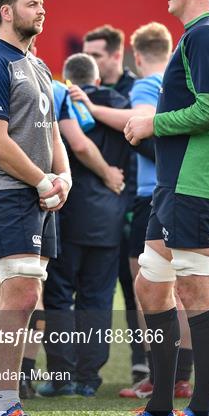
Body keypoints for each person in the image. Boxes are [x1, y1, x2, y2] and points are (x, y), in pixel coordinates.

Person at [109, 0, 209, 416]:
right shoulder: (208, 33)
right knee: (151, 286)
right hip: (176, 184)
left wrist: (152, 122)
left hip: (195, 183)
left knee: (195, 289)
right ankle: (160, 408)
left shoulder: (207, 33)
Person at [0, 0, 71, 416]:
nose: (41, 9)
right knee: (22, 292)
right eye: (32, 3)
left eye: (42, 1)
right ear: (7, 12)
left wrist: (63, 176)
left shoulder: (40, 66)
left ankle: (6, 404)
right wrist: (43, 178)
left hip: (38, 193)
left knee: (30, 295)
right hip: (4, 192)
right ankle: (0, 409)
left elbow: (52, 131)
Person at [76, 22, 194, 399]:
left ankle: (160, 376)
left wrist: (91, 107)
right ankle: (179, 375)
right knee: (181, 290)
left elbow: (141, 124)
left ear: (136, 56)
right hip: (186, 189)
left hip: (151, 194)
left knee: (150, 290)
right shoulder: (183, 84)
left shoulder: (145, 85)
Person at [38, 53, 131, 397]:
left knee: (60, 295)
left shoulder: (62, 97)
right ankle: (89, 377)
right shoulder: (123, 104)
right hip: (110, 217)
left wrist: (103, 171)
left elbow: (75, 143)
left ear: (71, 79)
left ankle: (62, 376)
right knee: (98, 299)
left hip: (71, 213)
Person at [83, 25, 145, 384]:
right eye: (87, 55)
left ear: (116, 56)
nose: (92, 61)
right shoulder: (84, 92)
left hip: (133, 199)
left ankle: (144, 360)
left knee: (139, 285)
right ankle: (94, 365)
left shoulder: (135, 92)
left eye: (97, 55)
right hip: (99, 208)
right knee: (103, 287)